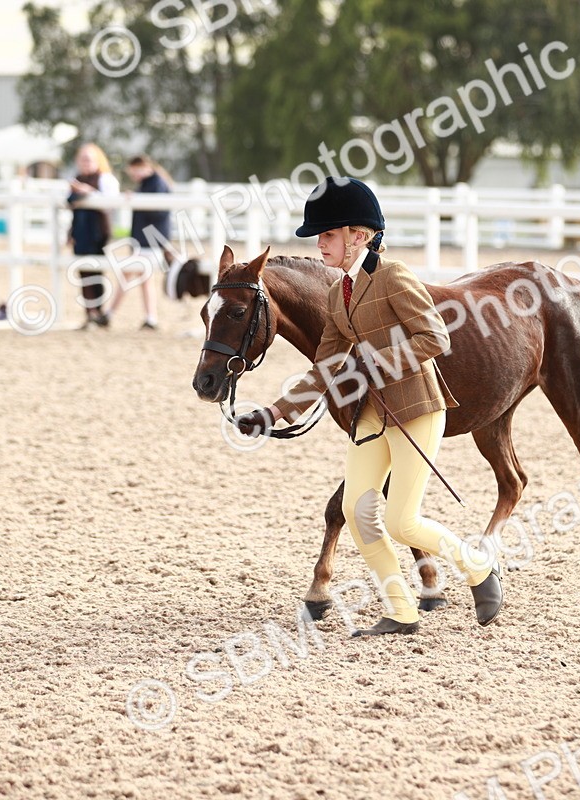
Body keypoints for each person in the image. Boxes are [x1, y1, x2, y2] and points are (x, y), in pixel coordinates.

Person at [233, 176, 503, 637]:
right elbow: (324, 367)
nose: (320, 244)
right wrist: (274, 412)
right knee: (360, 513)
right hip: (371, 415)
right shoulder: (341, 292)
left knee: (402, 521)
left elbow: (435, 336)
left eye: (328, 235)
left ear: (360, 236)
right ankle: (401, 611)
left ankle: (478, 566)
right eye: (320, 236)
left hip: (416, 407)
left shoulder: (394, 276)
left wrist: (373, 363)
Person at [105, 155, 171, 331]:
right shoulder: (151, 183)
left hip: (149, 242)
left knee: (128, 275)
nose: (133, 175)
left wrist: (137, 198)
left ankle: (110, 313)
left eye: (134, 171)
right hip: (146, 241)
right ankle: (150, 317)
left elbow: (158, 213)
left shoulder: (155, 183)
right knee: (143, 278)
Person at [67, 143, 119, 329]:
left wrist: (88, 192)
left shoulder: (105, 179)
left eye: (88, 159)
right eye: (82, 159)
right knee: (84, 273)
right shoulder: (77, 179)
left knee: (96, 272)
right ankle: (90, 314)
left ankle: (98, 312)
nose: (85, 162)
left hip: (98, 232)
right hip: (81, 232)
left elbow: (110, 203)